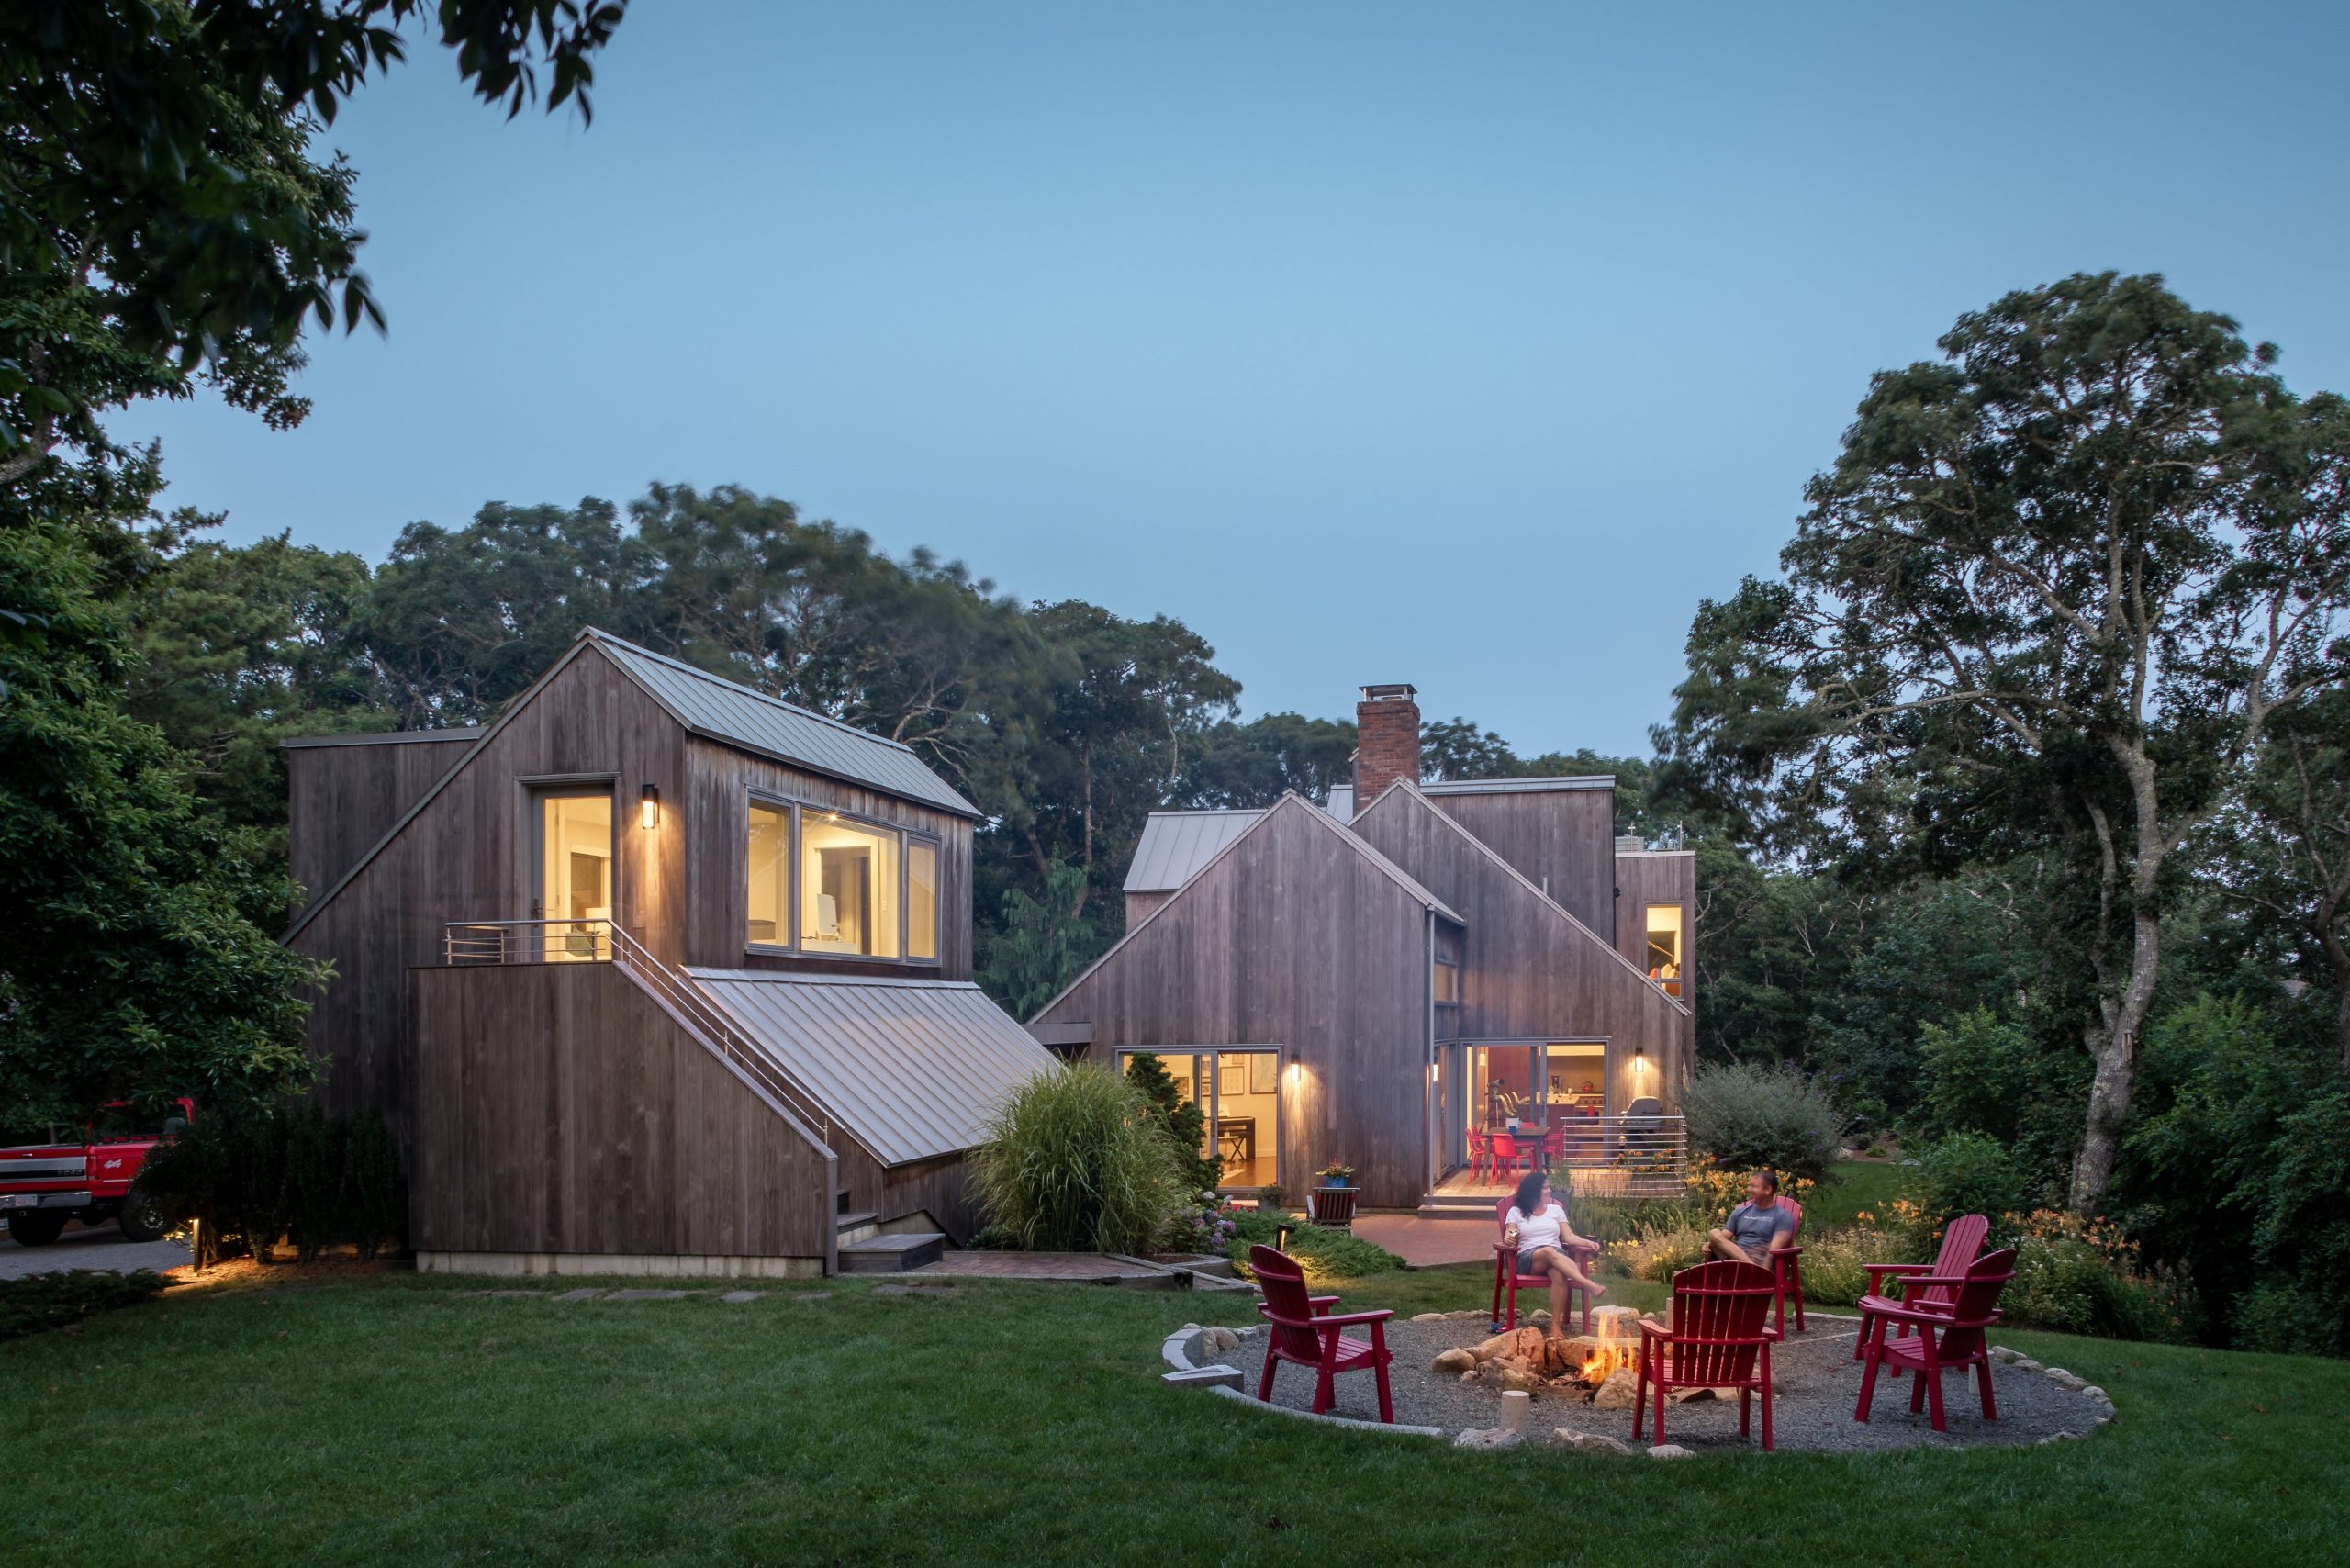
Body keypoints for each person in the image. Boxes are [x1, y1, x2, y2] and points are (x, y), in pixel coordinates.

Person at [1505, 1170, 1604, 1336]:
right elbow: (1512, 1233)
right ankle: (1587, 1284)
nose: (1549, 1190)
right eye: (1545, 1188)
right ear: (1533, 1190)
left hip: (1555, 1256)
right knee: (1549, 1251)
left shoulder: (1555, 1210)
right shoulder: (1517, 1212)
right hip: (1529, 1258)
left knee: (1559, 1275)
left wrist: (1588, 1242)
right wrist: (1510, 1236)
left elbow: (1569, 1237)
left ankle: (1555, 1327)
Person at [1707, 1168, 1796, 1268]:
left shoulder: (1782, 1216)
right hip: (1734, 1257)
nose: (1749, 1189)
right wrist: (1709, 1244)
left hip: (1760, 1260)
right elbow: (1723, 1236)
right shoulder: (1740, 1211)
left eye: (1754, 1186)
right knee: (1714, 1233)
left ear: (1768, 1190)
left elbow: (1773, 1250)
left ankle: (1754, 1269)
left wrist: (1765, 1270)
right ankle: (1751, 1266)